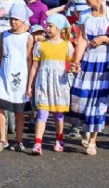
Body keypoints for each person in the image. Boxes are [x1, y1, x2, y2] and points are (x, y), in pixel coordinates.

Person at [70, 0, 109, 155]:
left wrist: (104, 39)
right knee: (81, 99)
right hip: (88, 61)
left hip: (105, 62)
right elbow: (82, 39)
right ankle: (86, 129)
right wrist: (77, 60)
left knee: (99, 101)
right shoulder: (84, 15)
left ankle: (93, 139)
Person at [27, 13, 74, 154]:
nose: (47, 28)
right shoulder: (40, 45)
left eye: (50, 26)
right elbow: (35, 66)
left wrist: (73, 69)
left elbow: (71, 64)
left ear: (59, 28)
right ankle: (37, 143)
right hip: (43, 82)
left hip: (60, 83)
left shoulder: (67, 46)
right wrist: (30, 85)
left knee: (58, 114)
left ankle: (59, 139)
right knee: (42, 112)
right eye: (47, 25)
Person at [0, 0, 31, 153]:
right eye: (11, 19)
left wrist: (29, 84)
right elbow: (0, 55)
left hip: (20, 76)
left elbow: (29, 60)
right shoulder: (4, 35)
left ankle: (18, 139)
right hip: (4, 74)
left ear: (22, 20)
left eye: (16, 19)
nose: (13, 22)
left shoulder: (28, 37)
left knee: (19, 110)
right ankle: (2, 138)